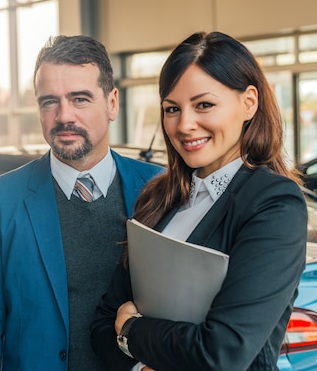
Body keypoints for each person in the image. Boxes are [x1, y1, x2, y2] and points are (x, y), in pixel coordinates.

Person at [90, 31, 307, 371]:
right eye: (172, 109)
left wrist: (131, 331)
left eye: (204, 105)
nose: (185, 125)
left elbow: (223, 352)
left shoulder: (274, 204)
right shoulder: (158, 197)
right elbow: (103, 321)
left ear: (249, 102)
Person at [0, 35, 163, 370]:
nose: (63, 115)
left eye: (80, 99)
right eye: (49, 101)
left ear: (112, 103)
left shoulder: (158, 189)